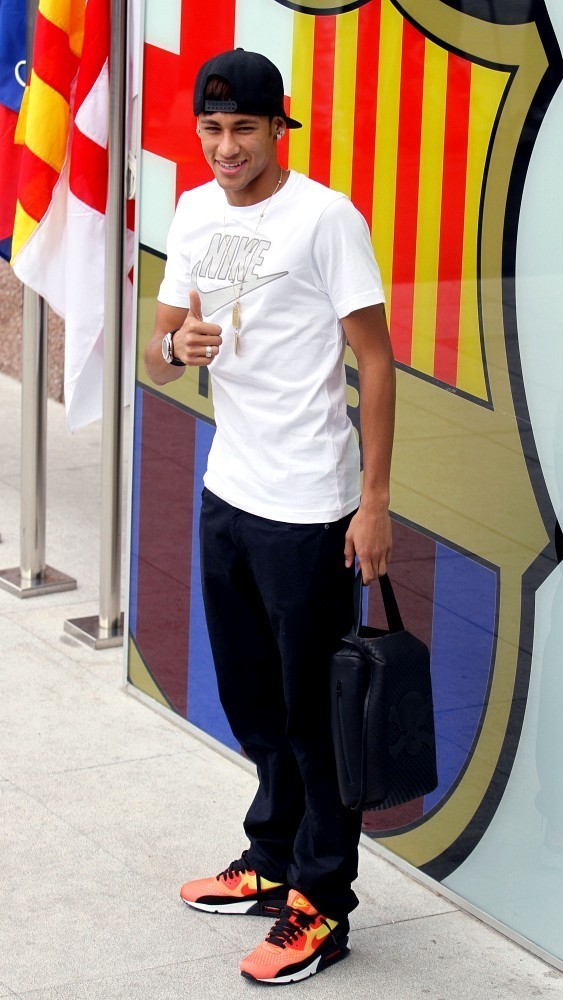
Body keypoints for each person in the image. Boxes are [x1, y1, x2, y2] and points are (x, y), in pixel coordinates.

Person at [144, 48, 395, 985]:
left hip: (311, 506)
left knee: (314, 717)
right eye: (211, 129)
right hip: (230, 491)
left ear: (277, 127)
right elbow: (158, 348)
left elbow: (376, 362)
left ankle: (322, 903)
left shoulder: (325, 219)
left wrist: (373, 502)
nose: (225, 147)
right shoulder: (194, 210)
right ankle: (273, 858)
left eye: (243, 128)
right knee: (254, 701)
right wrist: (179, 343)